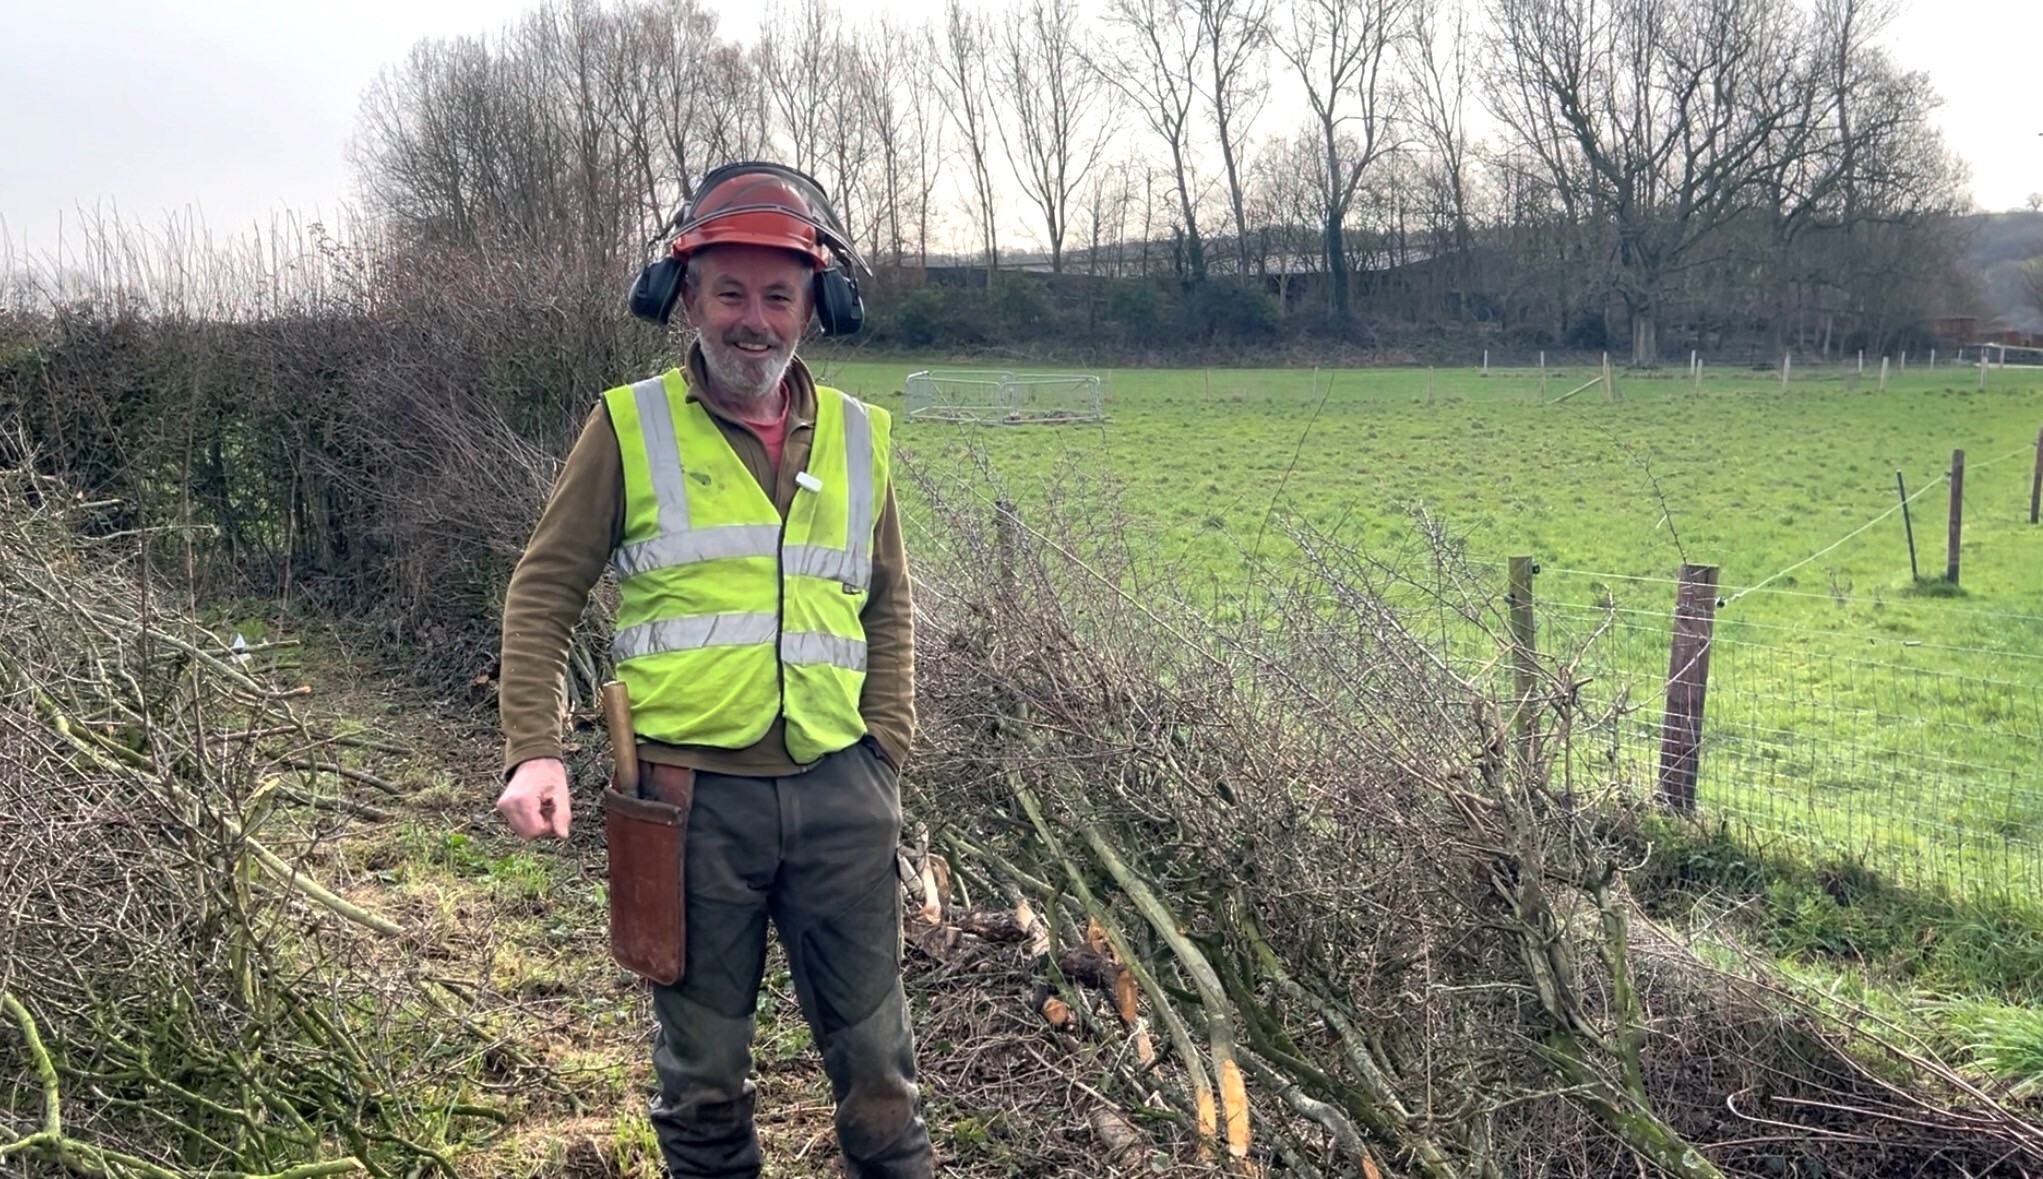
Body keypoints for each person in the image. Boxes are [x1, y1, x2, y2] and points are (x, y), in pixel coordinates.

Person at [491, 161, 931, 1179]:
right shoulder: (629, 425)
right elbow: (544, 586)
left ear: (814, 306)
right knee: (701, 1077)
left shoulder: (863, 437)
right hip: (688, 806)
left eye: (778, 295)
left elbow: (890, 600)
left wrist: (885, 753)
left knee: (879, 1068)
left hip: (839, 795)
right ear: (686, 296)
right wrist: (533, 751)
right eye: (729, 291)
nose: (753, 319)